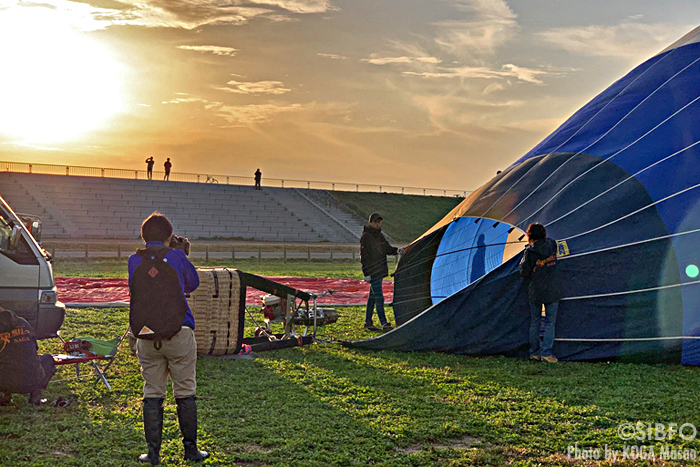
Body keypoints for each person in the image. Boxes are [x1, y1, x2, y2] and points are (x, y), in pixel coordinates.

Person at [128, 213, 208, 464]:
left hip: (147, 335)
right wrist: (181, 254)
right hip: (179, 332)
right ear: (169, 236)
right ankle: (190, 450)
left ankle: (152, 453)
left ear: (143, 236)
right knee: (185, 391)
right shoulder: (177, 256)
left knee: (152, 392)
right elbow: (191, 284)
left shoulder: (133, 260)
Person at [519, 222, 561, 363]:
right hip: (552, 288)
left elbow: (524, 271)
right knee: (550, 323)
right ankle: (547, 354)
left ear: (530, 236)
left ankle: (534, 353)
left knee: (535, 321)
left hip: (536, 290)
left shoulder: (530, 252)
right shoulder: (553, 244)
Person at [0, 306, 56, 405]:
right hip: (31, 382)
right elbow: (35, 347)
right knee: (48, 359)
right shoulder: (23, 322)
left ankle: (4, 396)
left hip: (4, 382)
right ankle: (35, 397)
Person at [360, 213, 403, 331]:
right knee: (379, 297)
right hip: (373, 272)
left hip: (380, 270)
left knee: (372, 297)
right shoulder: (366, 236)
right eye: (376, 222)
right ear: (370, 223)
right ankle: (384, 323)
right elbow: (364, 256)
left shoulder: (380, 236)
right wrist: (366, 273)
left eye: (379, 222)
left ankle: (368, 322)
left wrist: (397, 251)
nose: (378, 224)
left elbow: (387, 249)